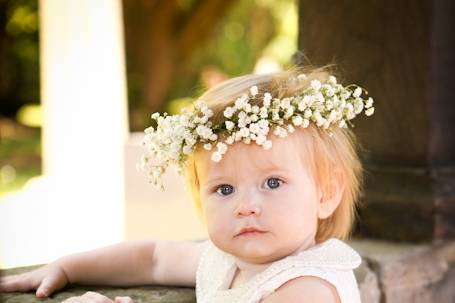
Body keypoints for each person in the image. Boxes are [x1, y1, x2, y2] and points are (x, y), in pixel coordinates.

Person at [0, 66, 375, 302]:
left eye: (273, 183)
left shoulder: (306, 289)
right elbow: (154, 259)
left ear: (325, 194)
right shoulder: (229, 260)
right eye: (224, 189)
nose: (246, 205)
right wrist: (68, 268)